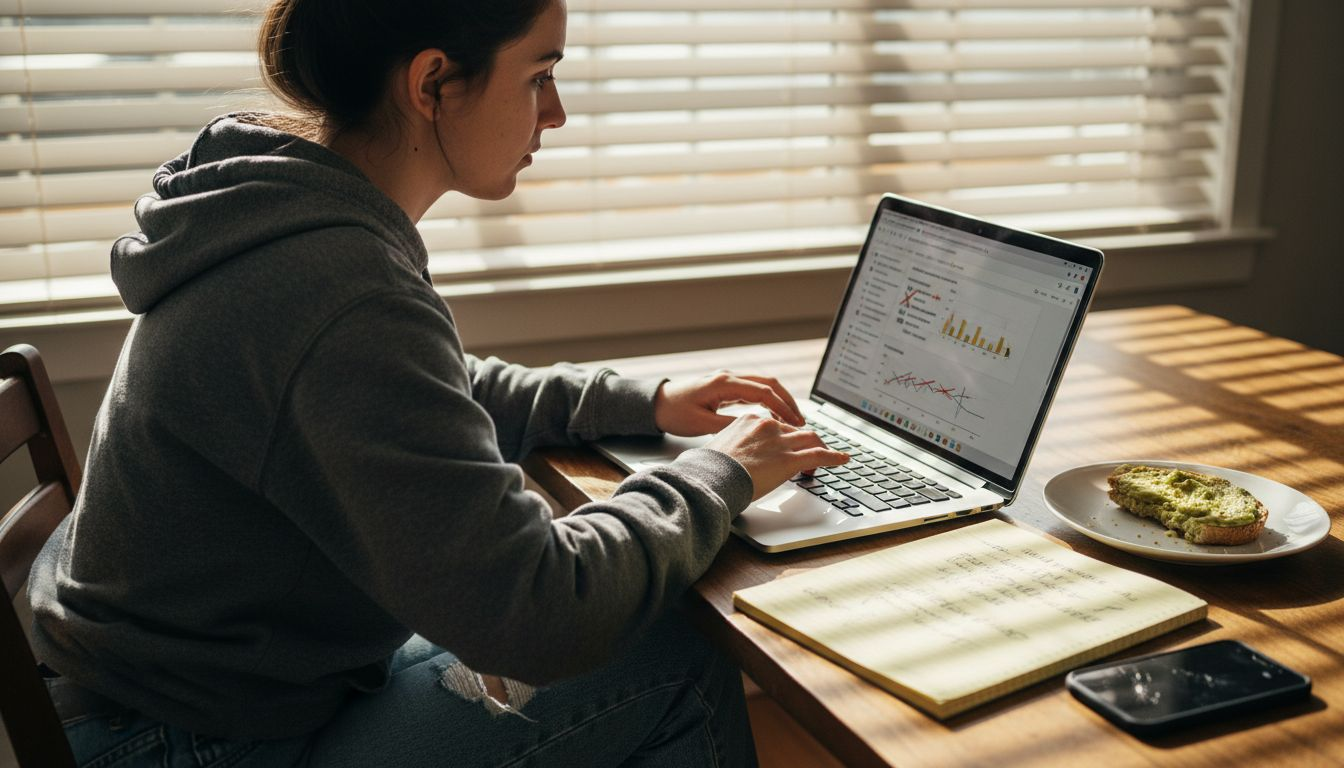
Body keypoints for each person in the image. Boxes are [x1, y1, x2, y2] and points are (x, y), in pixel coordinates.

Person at [26, 0, 850, 765]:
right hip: (191, 742)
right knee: (673, 647)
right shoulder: (338, 287)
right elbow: (539, 613)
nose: (557, 112)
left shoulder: (285, 212)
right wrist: (721, 473)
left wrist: (642, 401)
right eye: (539, 75)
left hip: (194, 693)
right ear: (432, 84)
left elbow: (428, 391)